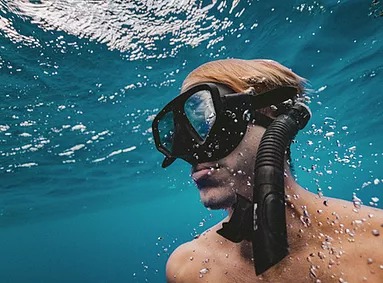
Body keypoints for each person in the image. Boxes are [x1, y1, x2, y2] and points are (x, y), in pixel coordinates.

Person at [152, 59, 383, 282]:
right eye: (177, 135)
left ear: (275, 116)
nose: (191, 151)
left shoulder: (376, 245)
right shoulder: (188, 269)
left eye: (206, 122)